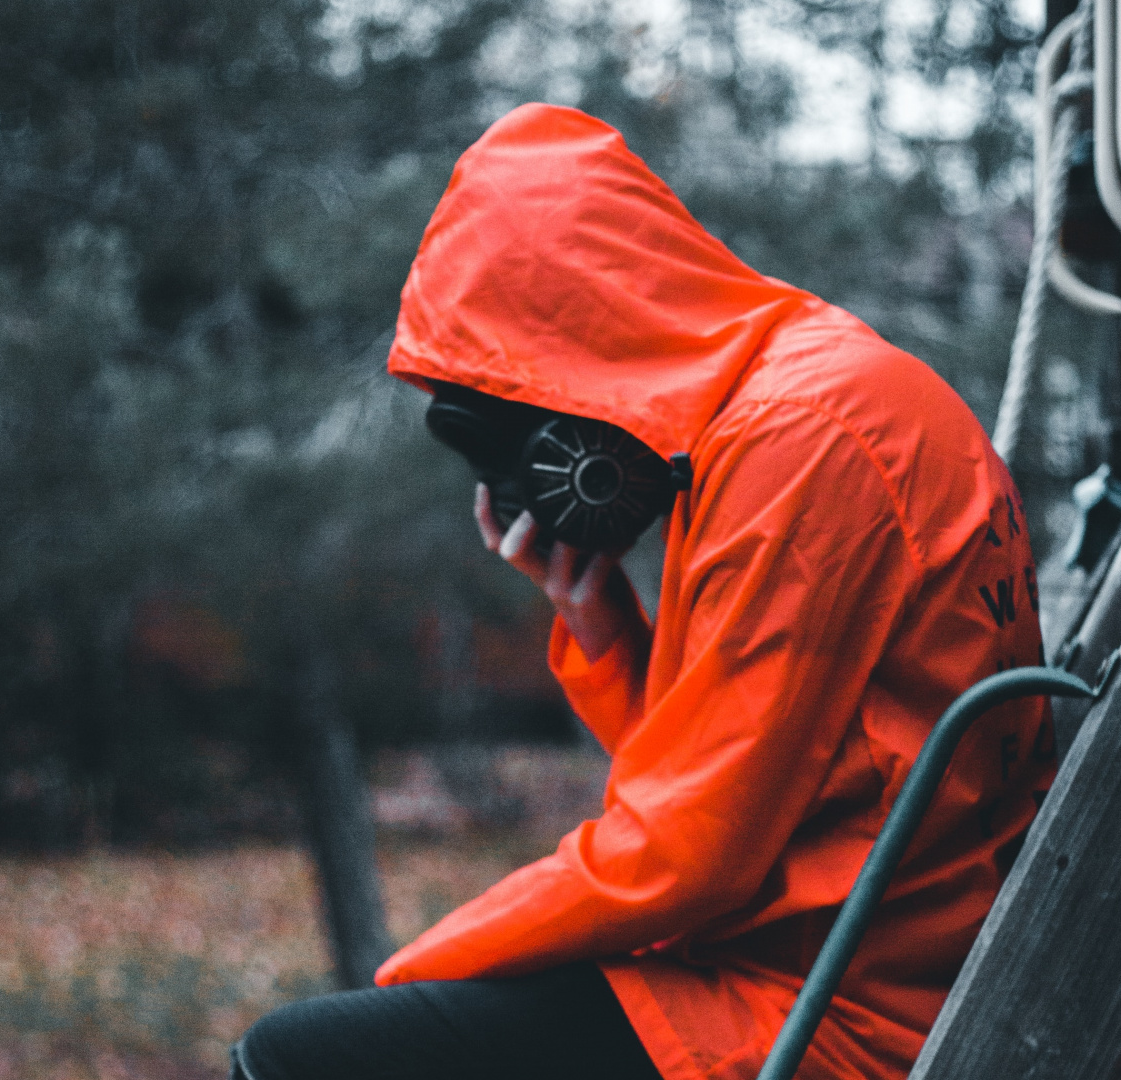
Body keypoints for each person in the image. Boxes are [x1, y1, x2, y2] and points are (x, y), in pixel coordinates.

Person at [232, 103, 1053, 1080]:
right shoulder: (794, 403)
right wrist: (599, 620)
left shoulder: (802, 446)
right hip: (835, 965)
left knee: (292, 1061)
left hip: (834, 1015)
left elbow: (685, 857)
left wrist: (416, 972)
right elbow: (729, 781)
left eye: (522, 414)